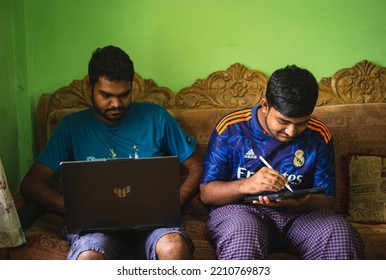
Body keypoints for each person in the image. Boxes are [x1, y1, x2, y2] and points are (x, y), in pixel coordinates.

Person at [20, 45, 202, 260]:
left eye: (124, 95)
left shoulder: (157, 118)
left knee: (173, 246)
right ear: (90, 85)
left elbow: (196, 166)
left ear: (132, 86)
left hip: (154, 225)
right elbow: (32, 183)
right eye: (106, 95)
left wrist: (173, 203)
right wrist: (70, 207)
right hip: (95, 229)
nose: (116, 104)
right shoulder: (71, 127)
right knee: (88, 258)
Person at [199, 65, 365, 259]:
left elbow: (327, 198)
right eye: (283, 121)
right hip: (241, 212)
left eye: (302, 123)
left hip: (300, 218)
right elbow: (207, 194)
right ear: (265, 106)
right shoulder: (231, 128)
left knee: (340, 234)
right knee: (243, 234)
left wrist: (299, 203)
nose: (291, 132)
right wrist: (247, 185)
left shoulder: (319, 135)